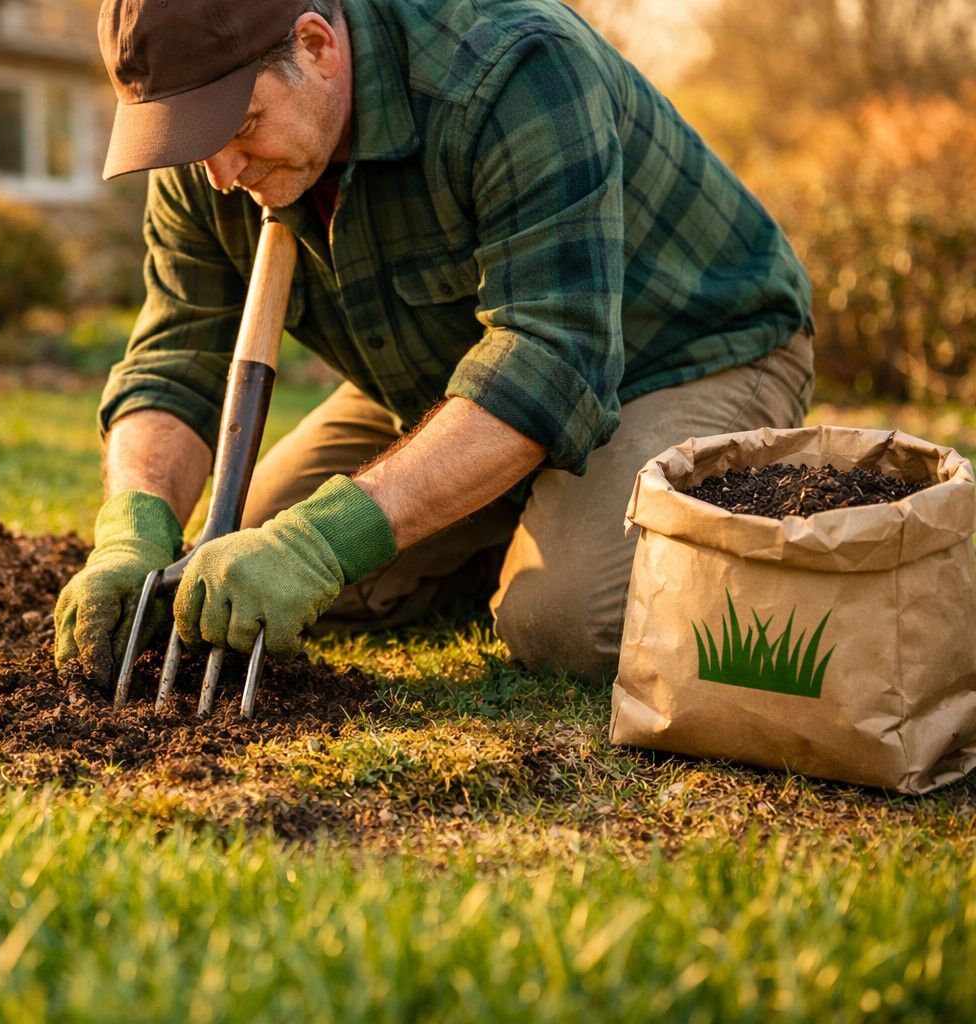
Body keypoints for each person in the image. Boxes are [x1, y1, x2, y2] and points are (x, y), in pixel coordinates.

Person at [54, 0, 815, 687]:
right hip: (443, 372)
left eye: (241, 126)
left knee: (567, 624)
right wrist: (133, 531)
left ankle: (612, 514)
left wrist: (323, 544)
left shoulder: (513, 69)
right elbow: (175, 358)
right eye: (191, 140)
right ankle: (510, 516)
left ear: (316, 46)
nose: (221, 174)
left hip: (686, 351)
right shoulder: (211, 152)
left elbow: (548, 358)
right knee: (234, 574)